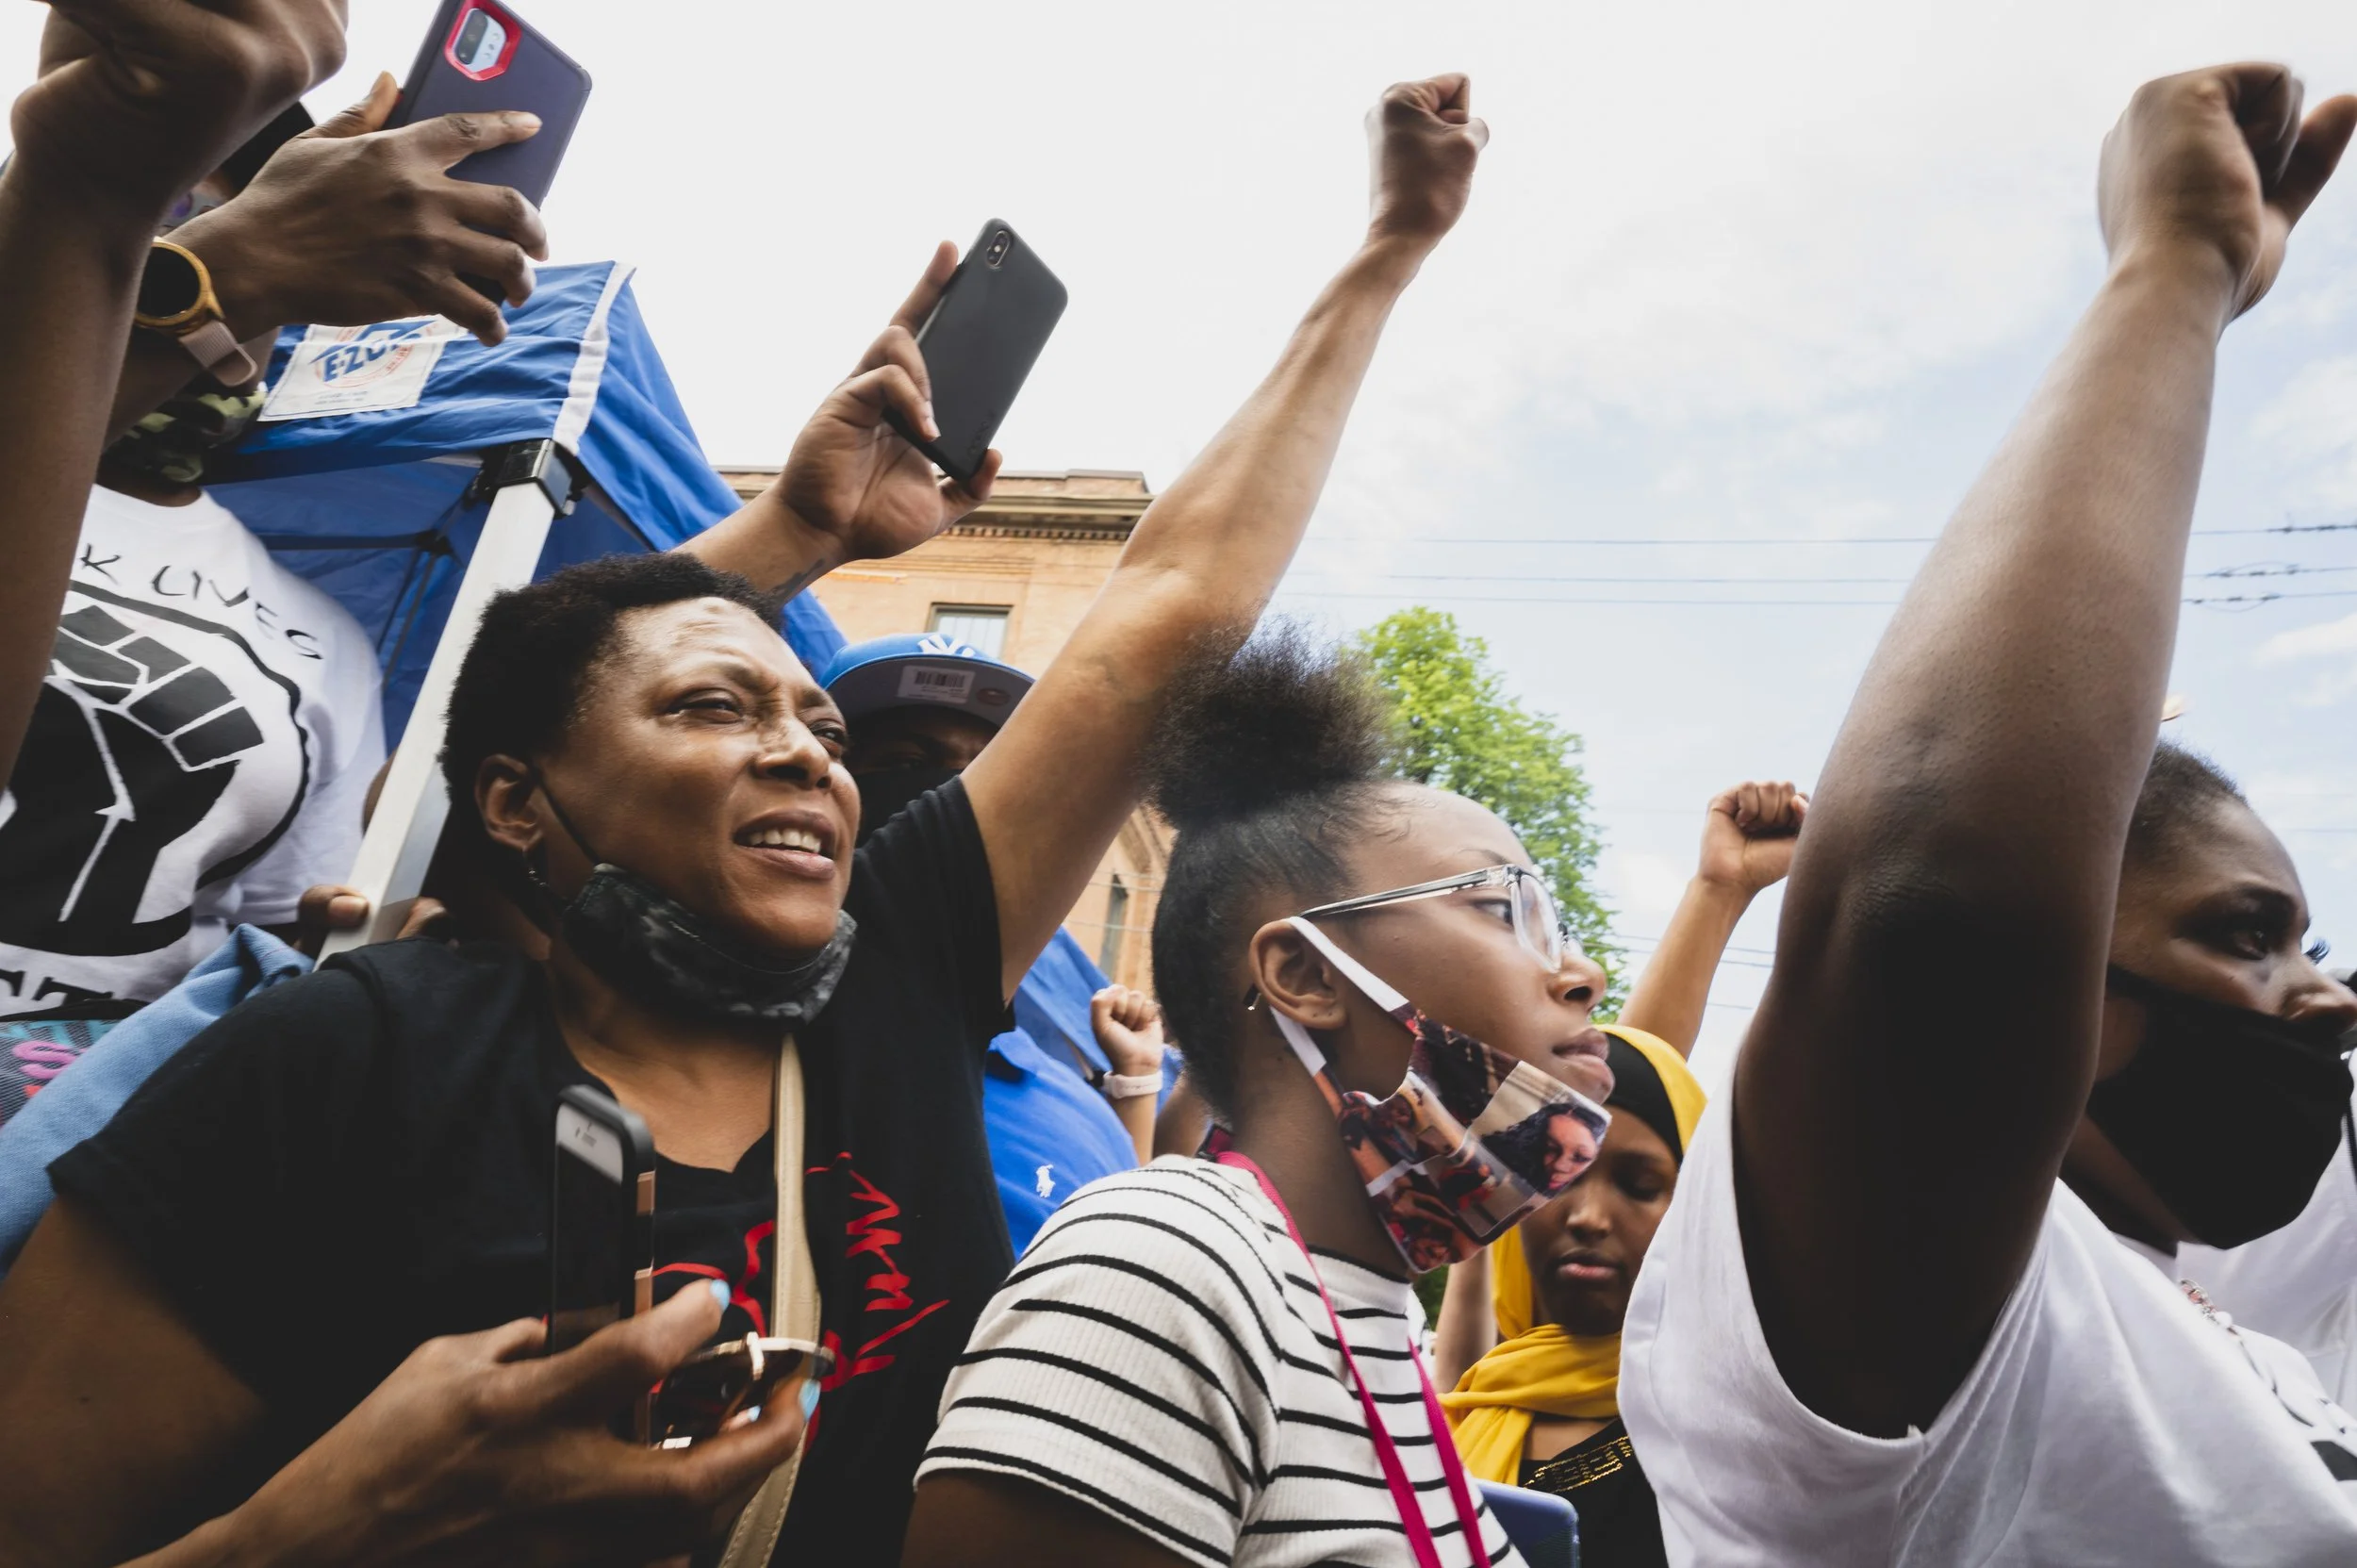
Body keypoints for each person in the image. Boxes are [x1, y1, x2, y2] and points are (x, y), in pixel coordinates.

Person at [0, 69, 1492, 1567]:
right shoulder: (342, 1057)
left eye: (822, 725)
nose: (805, 752)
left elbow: (1172, 603)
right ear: (516, 800)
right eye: (713, 708)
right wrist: (342, 1521)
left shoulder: (895, 977)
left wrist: (1386, 251)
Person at [1618, 64, 2357, 1564]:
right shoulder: (1939, 1309)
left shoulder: (2211, 1328)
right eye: (2245, 935)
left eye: (2305, 940)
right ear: (2064, 967)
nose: (2326, 994)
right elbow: (1941, 904)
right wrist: (2173, 276)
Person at [908, 559, 1630, 1568]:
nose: (1580, 972)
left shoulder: (1368, 1316)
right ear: (1301, 972)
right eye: (1502, 907)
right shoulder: (1167, 1265)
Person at [0, 25, 552, 1027]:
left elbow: (266, 924)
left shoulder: (326, 644)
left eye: (280, 256)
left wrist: (326, 947)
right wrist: (195, 262)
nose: (194, 262)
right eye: (164, 230)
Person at [1426, 783, 1801, 1568]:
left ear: (1697, 1212)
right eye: (1559, 1180)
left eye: (1640, 1186)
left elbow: (1619, 1094)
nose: (1588, 1214)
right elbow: (1596, 1104)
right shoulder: (1468, 1402)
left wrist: (1720, 893)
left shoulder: (1721, 1424)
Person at [817, 630, 1167, 1249]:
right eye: (904, 762)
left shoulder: (1054, 1084)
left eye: (987, 775)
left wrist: (1137, 1082)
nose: (955, 802)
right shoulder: (752, 1058)